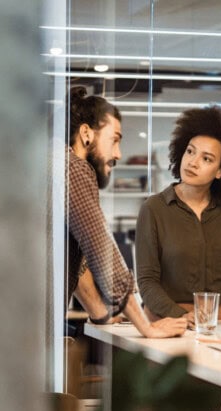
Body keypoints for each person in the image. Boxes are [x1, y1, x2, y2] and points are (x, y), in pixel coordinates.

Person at [65, 87, 186, 338]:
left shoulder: (56, 164)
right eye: (115, 139)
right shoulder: (73, 168)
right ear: (86, 133)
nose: (118, 154)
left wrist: (102, 314)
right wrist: (147, 327)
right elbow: (103, 254)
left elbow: (76, 263)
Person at [135, 105, 221, 327]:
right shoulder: (154, 208)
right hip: (168, 323)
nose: (192, 162)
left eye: (207, 159)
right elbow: (147, 282)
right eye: (190, 151)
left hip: (219, 324)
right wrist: (180, 316)